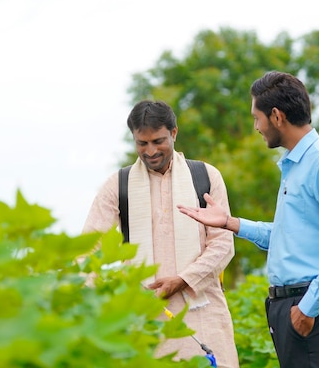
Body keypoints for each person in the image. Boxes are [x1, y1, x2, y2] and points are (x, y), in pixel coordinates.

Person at [177, 71, 319, 368]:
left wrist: (309, 308)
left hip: (308, 306)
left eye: (257, 118)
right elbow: (287, 236)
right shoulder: (294, 166)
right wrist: (229, 222)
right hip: (288, 306)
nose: (256, 127)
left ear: (276, 116)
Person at [82, 100, 240, 367]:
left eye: (158, 141)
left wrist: (183, 279)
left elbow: (223, 245)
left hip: (203, 312)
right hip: (145, 317)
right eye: (142, 144)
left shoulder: (205, 176)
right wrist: (80, 299)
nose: (151, 151)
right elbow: (89, 247)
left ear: (174, 133)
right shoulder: (118, 185)